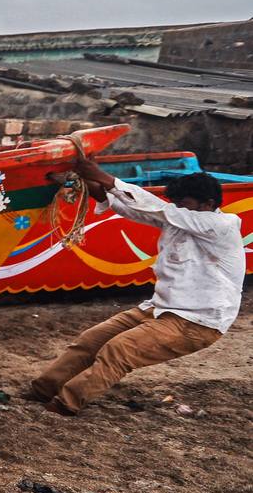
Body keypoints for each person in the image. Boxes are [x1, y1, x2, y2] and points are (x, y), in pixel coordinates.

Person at [27, 162, 244, 416]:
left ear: (208, 204)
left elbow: (157, 208)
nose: (177, 208)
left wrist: (104, 178)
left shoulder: (223, 225)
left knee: (119, 350)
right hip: (159, 309)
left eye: (183, 203)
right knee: (90, 341)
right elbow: (135, 209)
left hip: (198, 321)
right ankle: (41, 391)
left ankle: (64, 404)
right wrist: (90, 184)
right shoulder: (179, 218)